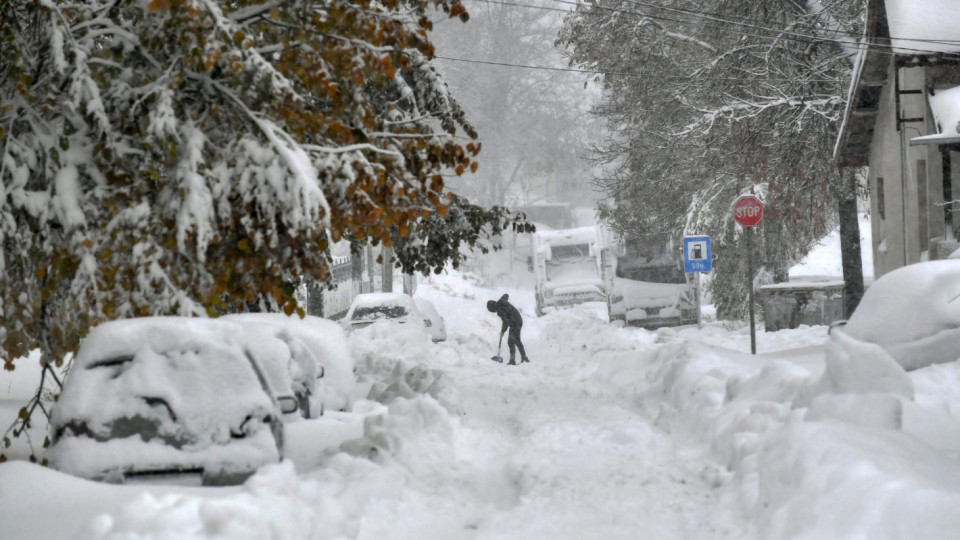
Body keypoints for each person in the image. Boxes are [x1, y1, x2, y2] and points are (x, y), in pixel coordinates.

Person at [487, 293, 529, 365]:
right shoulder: (501, 302)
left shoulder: (500, 311)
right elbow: (506, 295)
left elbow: (505, 322)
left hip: (516, 322)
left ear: (493, 308)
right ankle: (514, 359)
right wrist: (503, 300)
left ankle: (523, 358)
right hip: (516, 321)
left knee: (515, 340)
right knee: (511, 341)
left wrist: (503, 331)